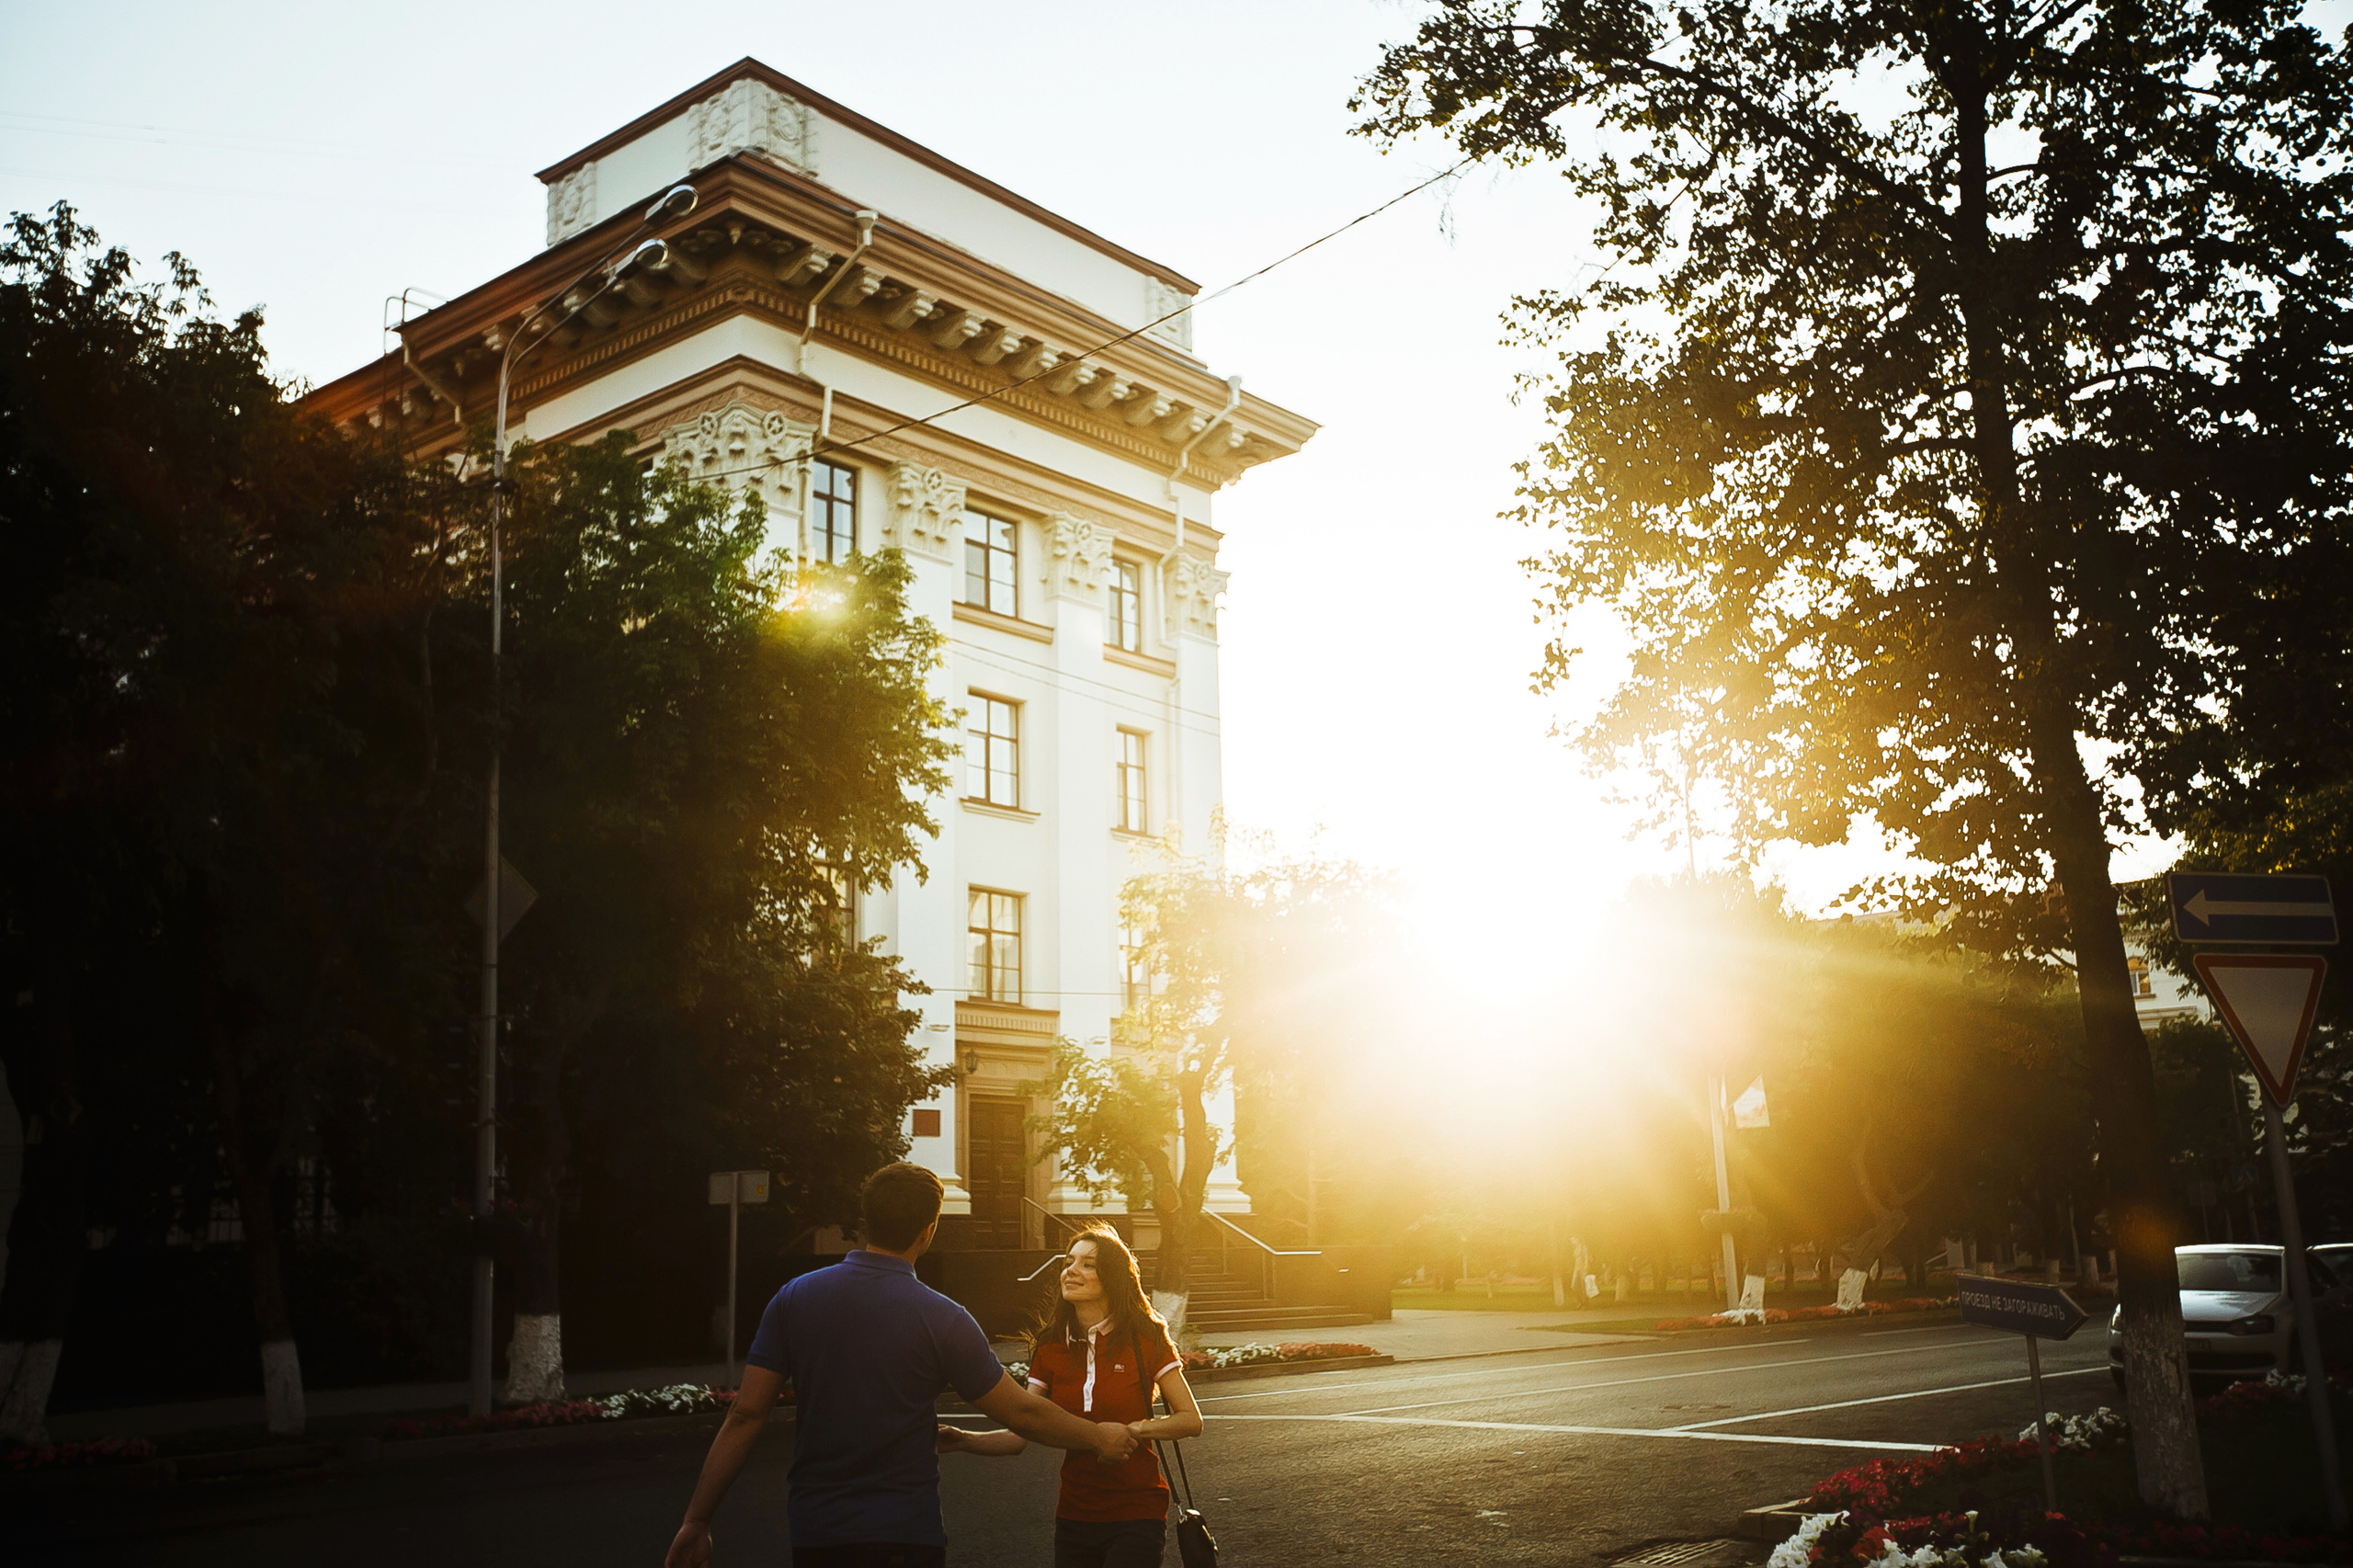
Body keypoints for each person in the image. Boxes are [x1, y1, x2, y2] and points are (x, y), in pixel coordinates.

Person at [664, 1164, 1140, 1568]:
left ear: (867, 1220)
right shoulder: (944, 1318)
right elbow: (1022, 1413)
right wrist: (1099, 1436)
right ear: (929, 1230)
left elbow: (745, 1415)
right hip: (907, 1534)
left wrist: (697, 1519)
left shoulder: (795, 1298)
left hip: (817, 1532)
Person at [940, 1223, 1204, 1568]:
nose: (1071, 1271)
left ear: (1111, 1276)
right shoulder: (1051, 1345)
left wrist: (1134, 1430)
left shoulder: (1146, 1338)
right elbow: (1020, 1433)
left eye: (1088, 1264)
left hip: (1138, 1511)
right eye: (1069, 1262)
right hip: (1074, 1515)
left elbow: (1190, 1420)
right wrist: (962, 1439)